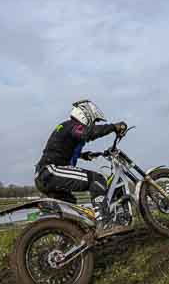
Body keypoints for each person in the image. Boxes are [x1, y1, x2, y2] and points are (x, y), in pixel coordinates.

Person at [35, 99, 128, 236]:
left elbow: (61, 150)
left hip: (44, 175)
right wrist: (113, 127)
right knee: (96, 180)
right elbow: (87, 133)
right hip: (51, 171)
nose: (93, 124)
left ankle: (70, 239)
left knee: (72, 209)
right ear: (86, 114)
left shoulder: (65, 128)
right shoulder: (73, 125)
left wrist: (85, 155)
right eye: (94, 121)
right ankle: (105, 223)